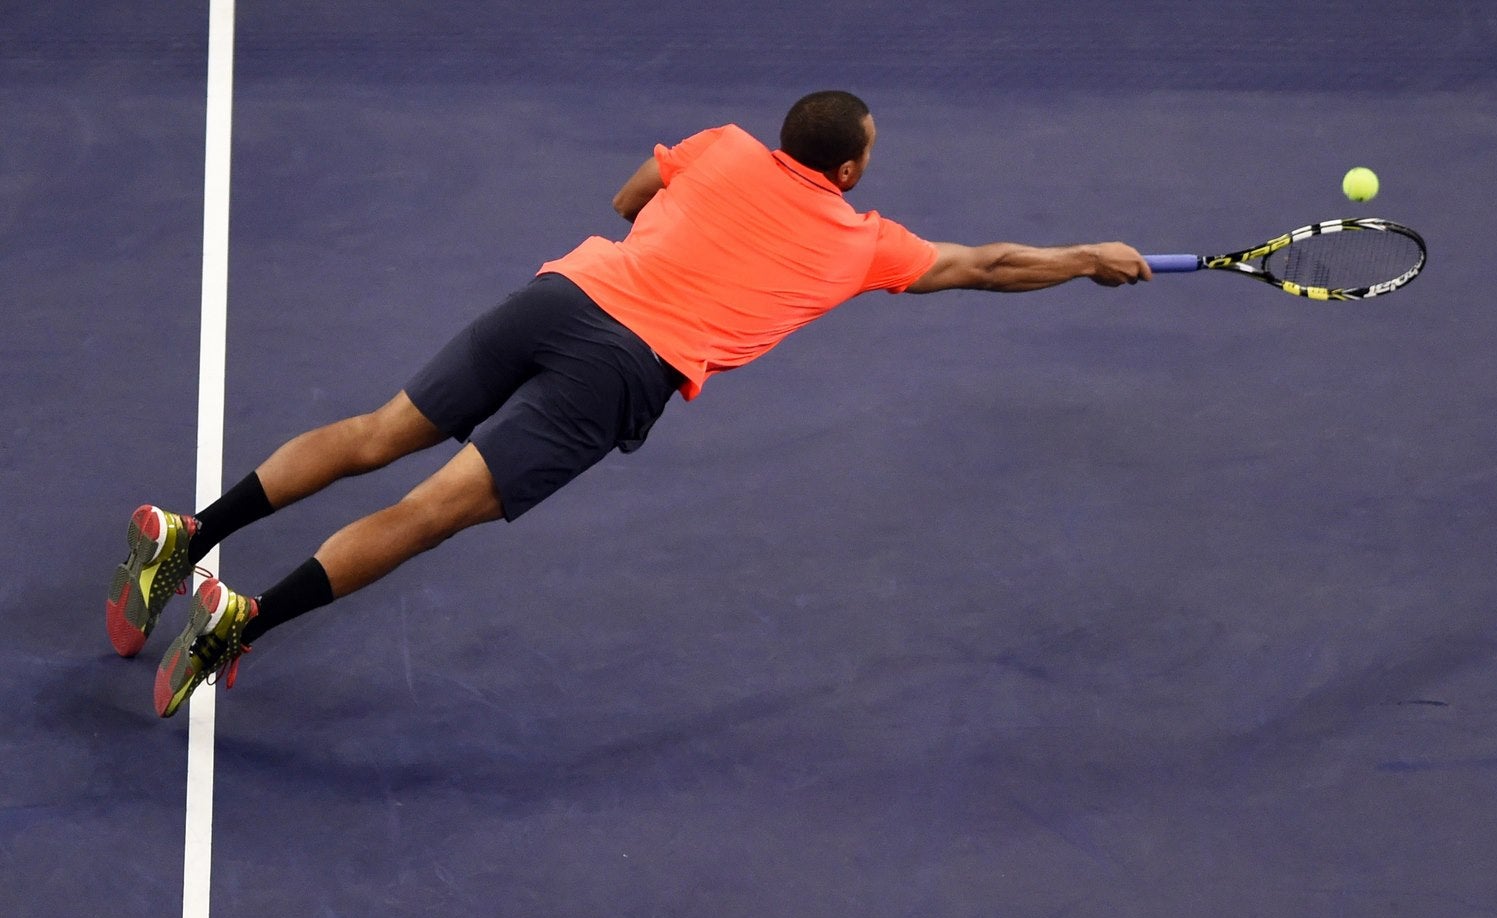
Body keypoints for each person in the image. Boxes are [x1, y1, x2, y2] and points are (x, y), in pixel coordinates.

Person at [106, 90, 1152, 718]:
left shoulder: (726, 143)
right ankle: (239, 623)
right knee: (428, 513)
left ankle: (190, 538)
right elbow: (986, 263)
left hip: (561, 295)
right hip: (618, 370)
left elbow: (623, 201)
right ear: (848, 166)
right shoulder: (862, 239)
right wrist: (1086, 258)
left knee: (377, 432)